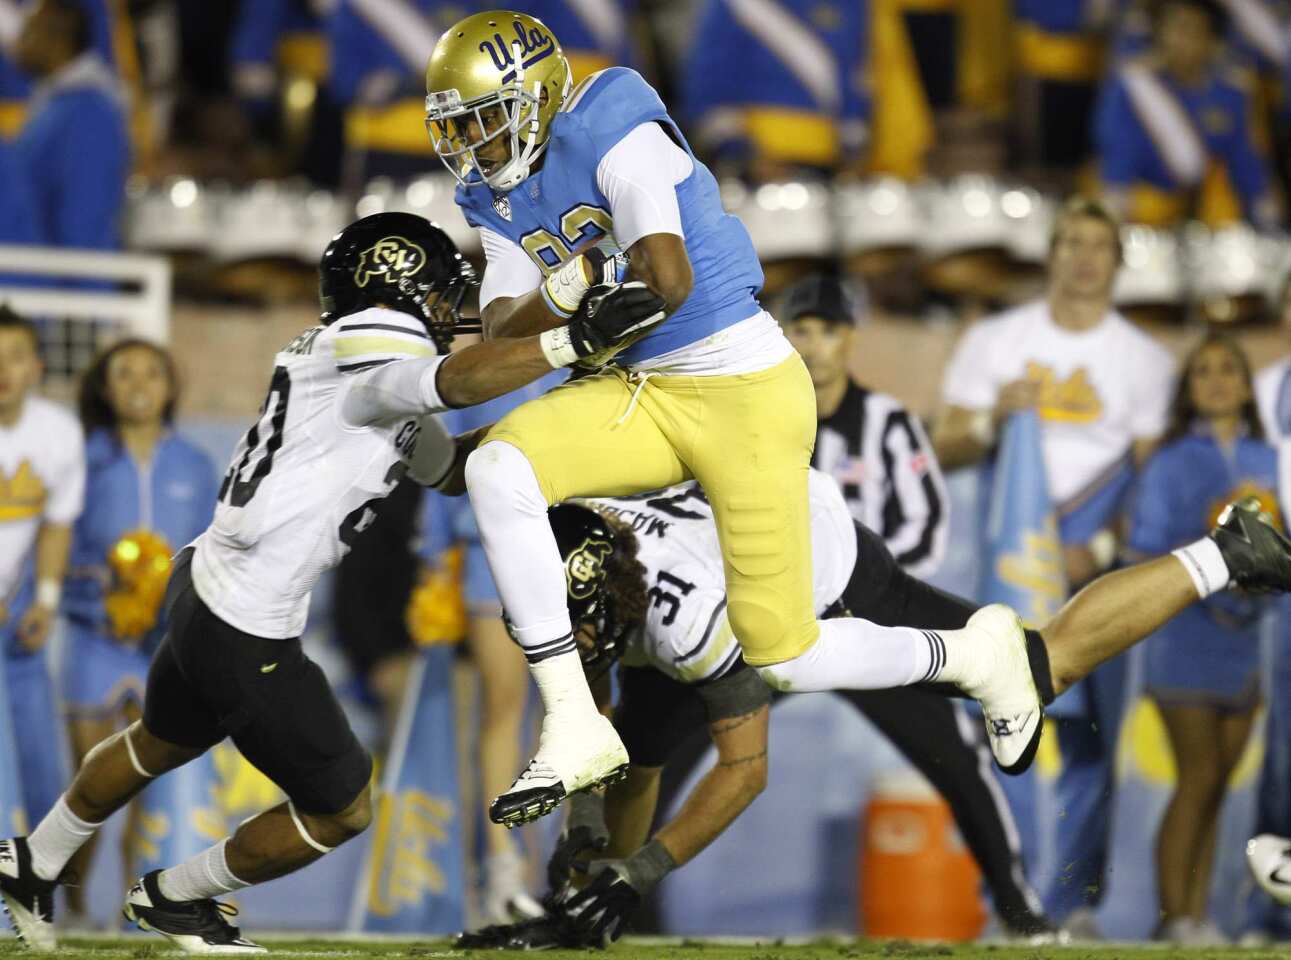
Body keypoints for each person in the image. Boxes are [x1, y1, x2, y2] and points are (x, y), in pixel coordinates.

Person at [424, 10, 1044, 832]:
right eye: (455, 128)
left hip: (742, 386)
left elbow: (668, 278)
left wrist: (584, 296)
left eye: (481, 121)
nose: (471, 145)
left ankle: (975, 654)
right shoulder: (486, 192)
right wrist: (573, 293)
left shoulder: (611, 114)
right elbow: (506, 325)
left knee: (783, 655)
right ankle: (572, 719)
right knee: (497, 469)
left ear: (534, 98)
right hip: (643, 391)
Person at [0, 211, 667, 954]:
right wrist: (566, 342)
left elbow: (446, 468)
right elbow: (450, 378)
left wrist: (557, 426)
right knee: (343, 806)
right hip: (244, 616)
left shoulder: (352, 362)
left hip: (206, 584)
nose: (450, 311)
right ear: (398, 288)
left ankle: (35, 859)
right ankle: (177, 898)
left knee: (157, 742)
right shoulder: (382, 336)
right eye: (442, 293)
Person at [455, 463, 1291, 949]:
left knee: (1037, 665)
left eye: (583, 627)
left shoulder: (686, 622)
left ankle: (1220, 556)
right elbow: (588, 703)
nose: (568, 642)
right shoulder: (580, 551)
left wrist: (637, 872)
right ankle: (586, 920)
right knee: (630, 754)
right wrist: (586, 839)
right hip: (731, 548)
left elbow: (745, 770)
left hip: (818, 578)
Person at [932, 194, 1175, 936]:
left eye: (1096, 244)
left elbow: (1149, 477)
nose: (1082, 256)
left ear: (1116, 260)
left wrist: (1096, 549)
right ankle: (1012, 902)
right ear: (1051, 253)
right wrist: (988, 419)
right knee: (1001, 726)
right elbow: (941, 445)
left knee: (1089, 740)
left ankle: (1072, 907)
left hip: (1099, 571)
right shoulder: (996, 339)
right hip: (1009, 567)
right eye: (1068, 241)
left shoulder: (1145, 359)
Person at [60, 339, 218, 920]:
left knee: (150, 795)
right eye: (124, 374)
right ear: (105, 388)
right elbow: (58, 547)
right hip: (94, 645)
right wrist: (99, 584)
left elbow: (213, 551)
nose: (139, 384)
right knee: (93, 793)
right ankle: (71, 916)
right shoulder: (83, 460)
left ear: (171, 386)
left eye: (152, 372)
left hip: (163, 654)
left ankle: (135, 914)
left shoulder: (196, 466)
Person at [1128, 333, 1276, 944]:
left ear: (1246, 384)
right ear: (1188, 390)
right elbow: (1144, 547)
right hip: (1184, 638)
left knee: (1216, 783)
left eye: (1228, 370)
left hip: (1249, 645)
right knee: (1197, 775)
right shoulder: (1169, 461)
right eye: (1203, 373)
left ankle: (1197, 912)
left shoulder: (1272, 459)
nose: (1217, 381)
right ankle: (1173, 918)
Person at [781, 273, 948, 577]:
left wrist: (863, 577)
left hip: (867, 612)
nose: (814, 347)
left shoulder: (889, 422)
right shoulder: (763, 421)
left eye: (829, 331)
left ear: (851, 338)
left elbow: (925, 525)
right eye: (802, 331)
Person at [0, 305, 84, 832]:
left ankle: (31, 896)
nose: (2, 370)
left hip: (16, 620)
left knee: (38, 765)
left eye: (15, 357)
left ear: (36, 366)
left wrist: (47, 600)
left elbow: (56, 523)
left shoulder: (58, 432)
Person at [1094, 0, 1279, 228]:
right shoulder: (1133, 87)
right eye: (1176, 29)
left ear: (1212, 42)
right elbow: (1117, 172)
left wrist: (1269, 224)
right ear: (1160, 34)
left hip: (1200, 217)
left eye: (1193, 32)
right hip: (1142, 214)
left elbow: (1249, 168)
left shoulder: (1231, 94)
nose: (1183, 42)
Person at [11, 0, 130, 251]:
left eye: (30, 30)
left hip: (70, 281)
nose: (18, 42)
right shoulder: (54, 106)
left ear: (58, 36)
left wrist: (77, 284)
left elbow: (85, 220)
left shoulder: (89, 112)